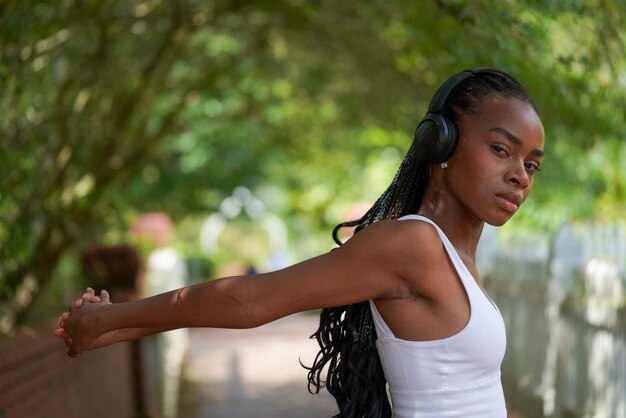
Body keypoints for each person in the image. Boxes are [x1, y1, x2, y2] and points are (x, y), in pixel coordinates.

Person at [56, 67, 545, 418]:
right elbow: (250, 301)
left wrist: (114, 329)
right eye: (501, 149)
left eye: (531, 164)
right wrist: (106, 319)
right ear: (440, 144)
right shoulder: (412, 245)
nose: (519, 176)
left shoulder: (452, 254)